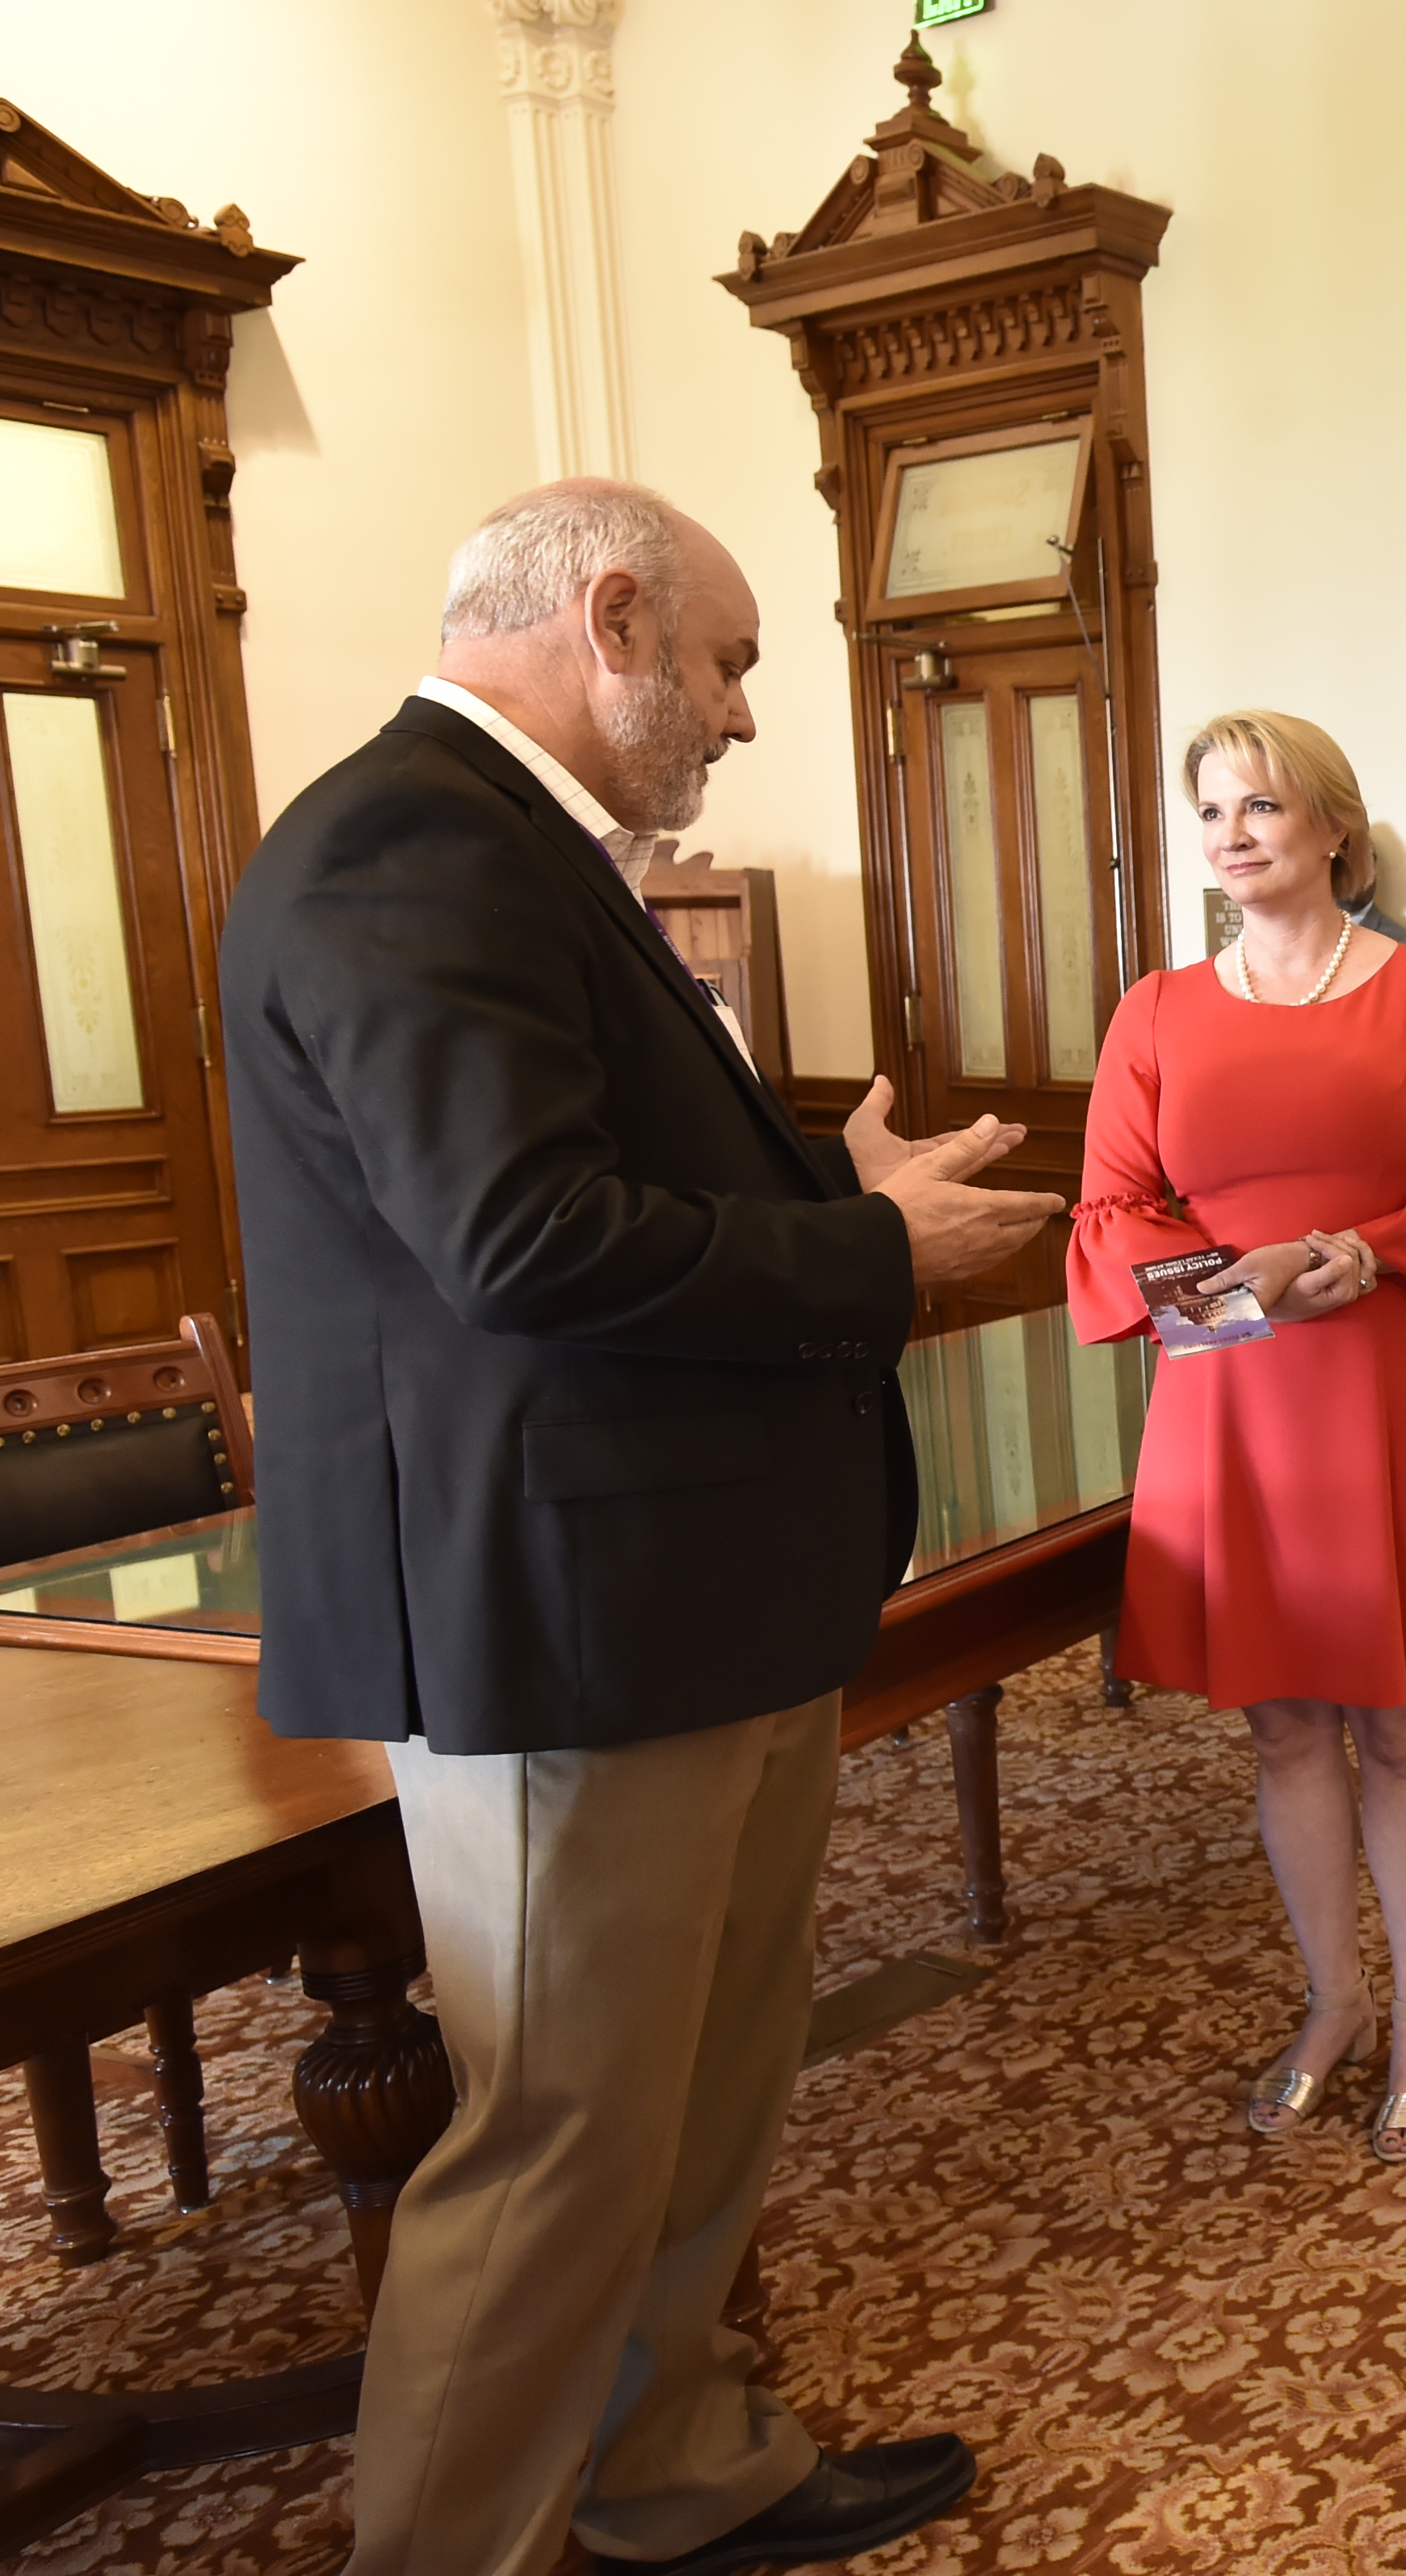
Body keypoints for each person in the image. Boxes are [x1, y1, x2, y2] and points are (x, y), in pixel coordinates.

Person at [218, 478, 1057, 2575]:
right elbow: (520, 1243)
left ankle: (675, 2467)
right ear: (610, 616)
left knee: (689, 2108)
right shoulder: (405, 845)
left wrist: (812, 1176)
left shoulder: (527, 857)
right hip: (559, 1615)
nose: (746, 715)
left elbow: (580, 1170)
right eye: (733, 660)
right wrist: (873, 1253)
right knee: (561, 2146)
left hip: (675, 1597)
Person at [1068, 710, 1406, 2171]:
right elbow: (1111, 1214)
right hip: (1233, 1391)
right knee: (1282, 1719)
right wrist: (1239, 1284)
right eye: (1210, 808)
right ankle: (1331, 1999)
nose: (1230, 831)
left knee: (1401, 1717)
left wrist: (1365, 1248)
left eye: (1261, 804)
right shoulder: (1154, 1011)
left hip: (1386, 1389)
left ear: (1332, 826)